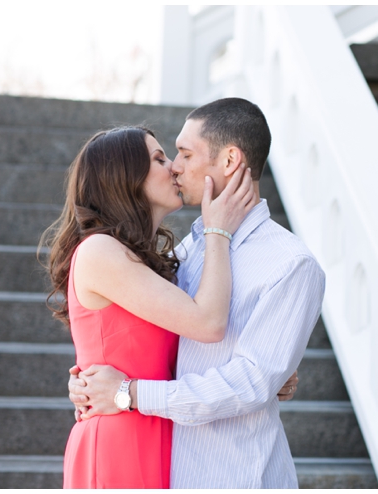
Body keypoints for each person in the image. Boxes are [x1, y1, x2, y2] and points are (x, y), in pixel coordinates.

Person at [68, 98, 326, 488]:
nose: (175, 165)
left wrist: (128, 393)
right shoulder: (188, 250)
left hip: (232, 474)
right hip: (149, 453)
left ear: (229, 161)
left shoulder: (290, 264)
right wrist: (92, 383)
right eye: (165, 157)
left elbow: (249, 383)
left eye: (185, 153)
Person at [42, 126, 259, 487]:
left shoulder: (143, 261)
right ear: (125, 177)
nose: (174, 167)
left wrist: (267, 368)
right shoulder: (100, 250)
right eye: (159, 159)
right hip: (119, 441)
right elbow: (207, 322)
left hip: (158, 431)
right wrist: (217, 230)